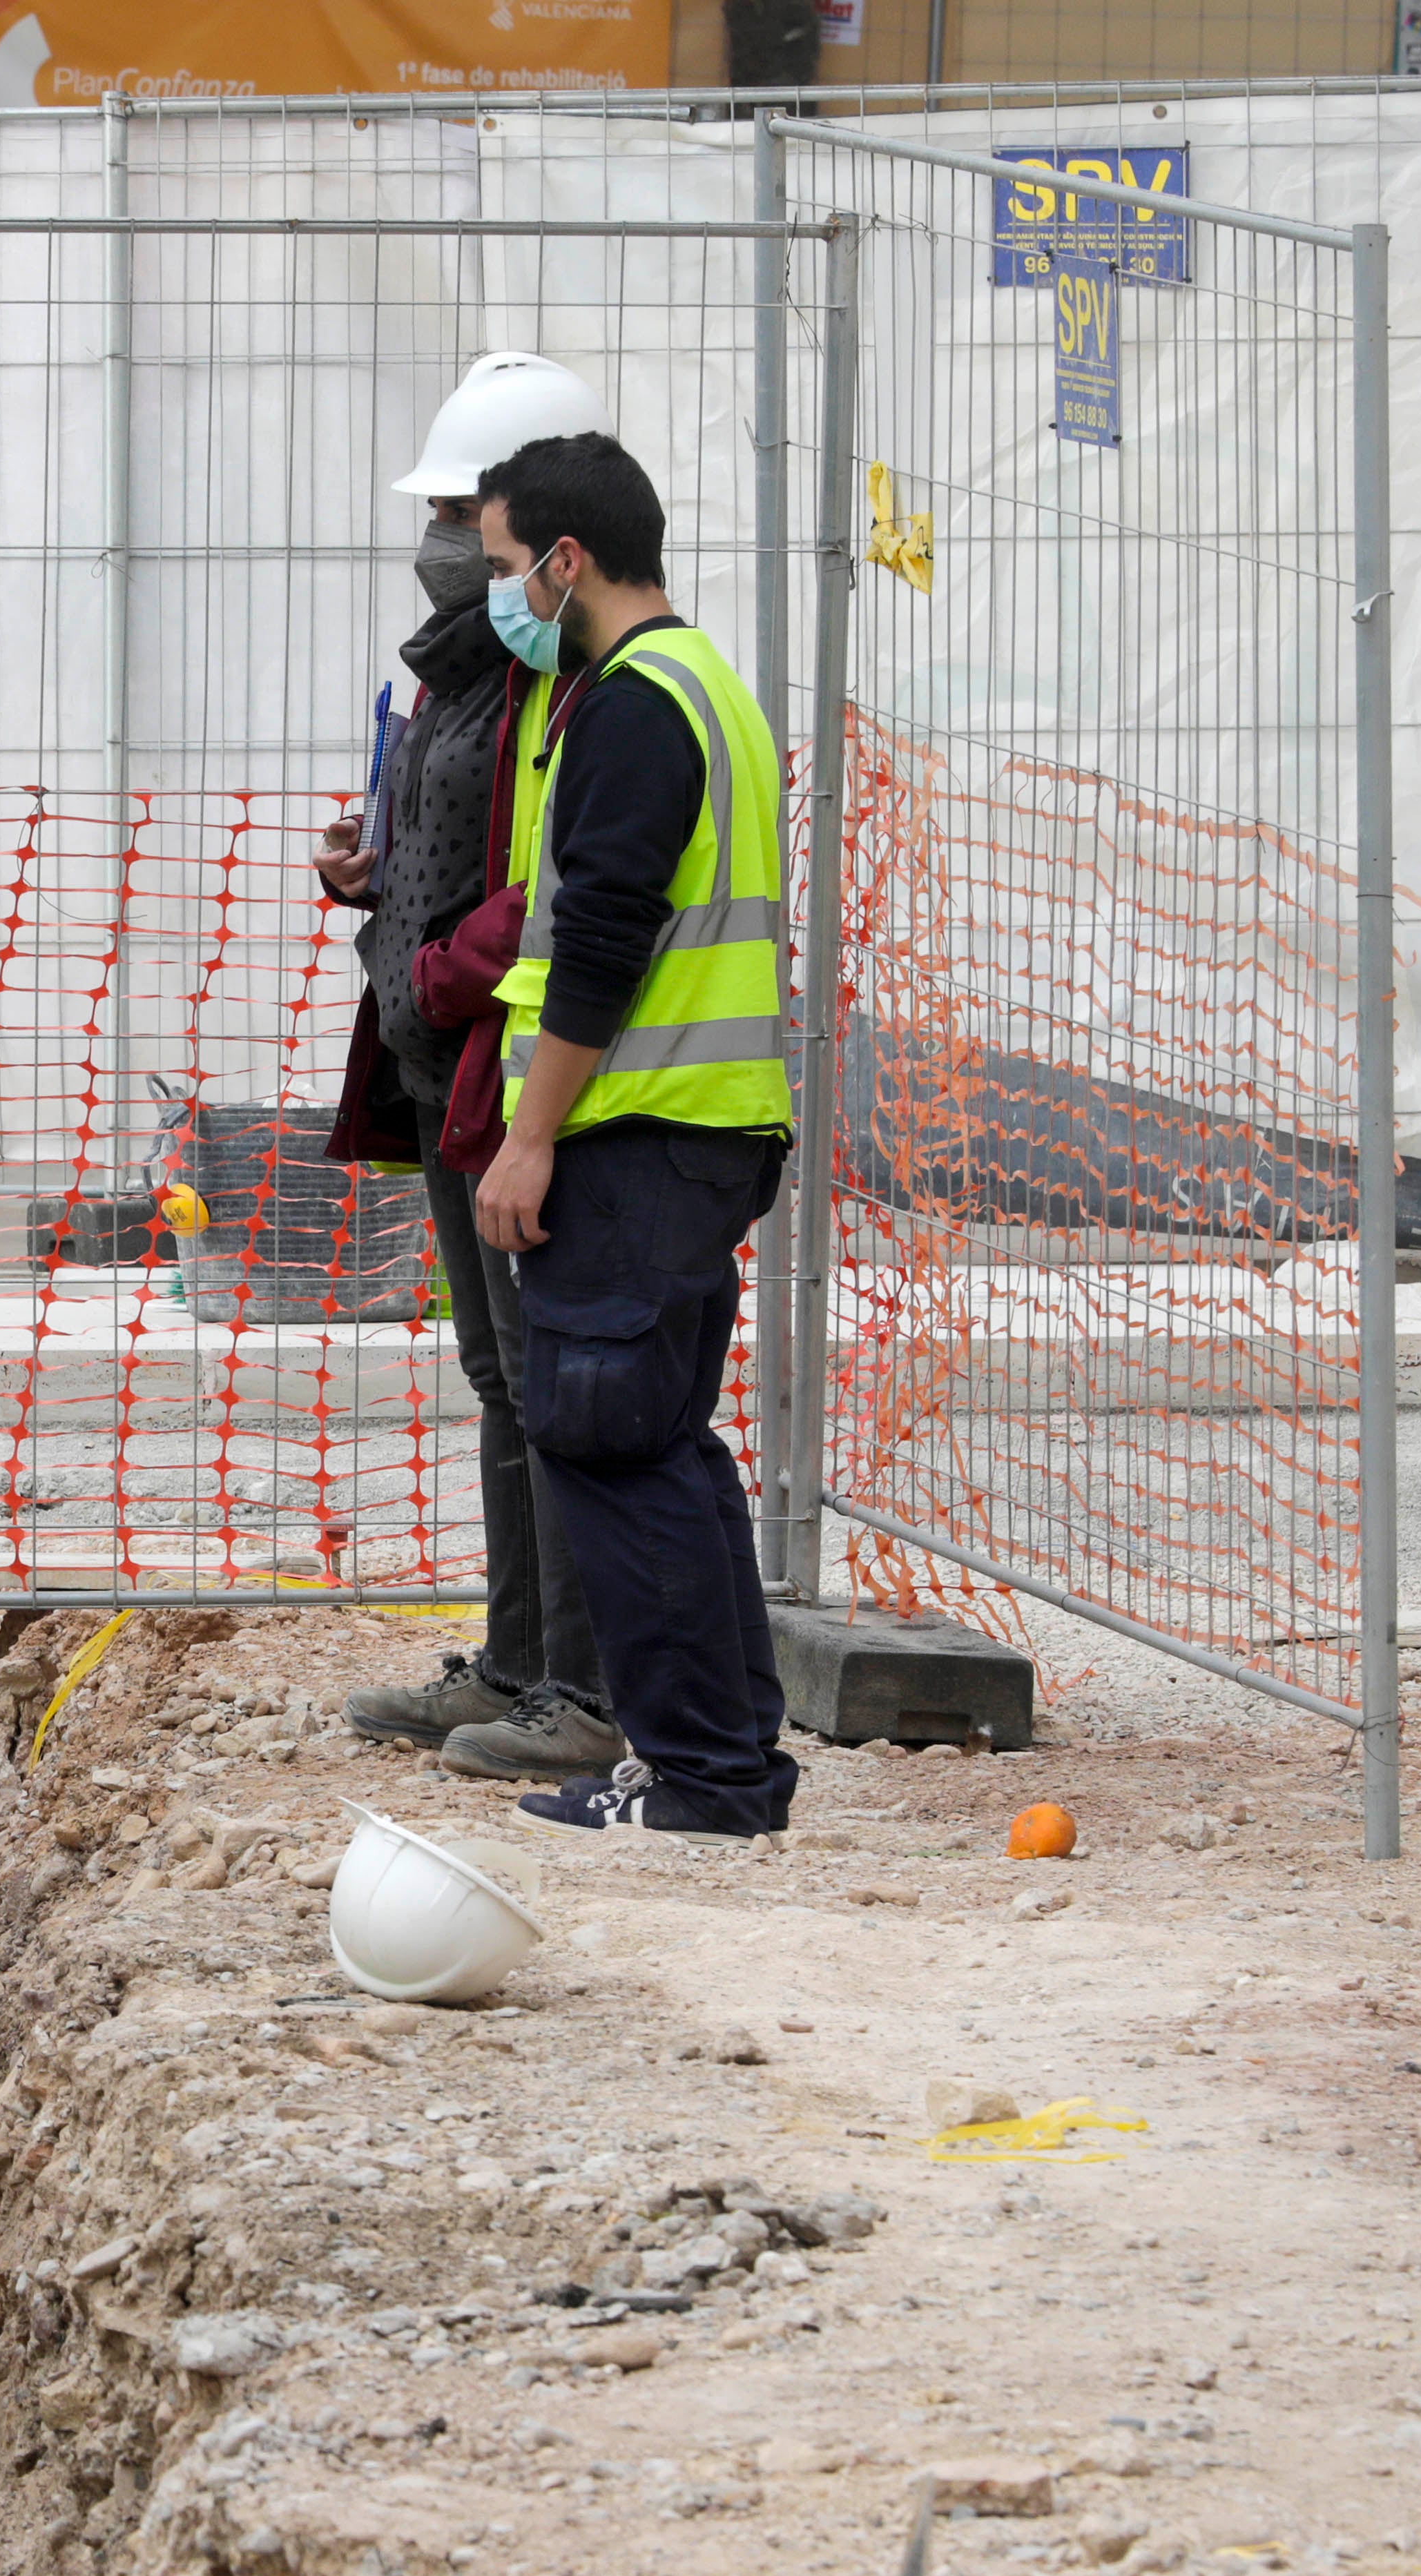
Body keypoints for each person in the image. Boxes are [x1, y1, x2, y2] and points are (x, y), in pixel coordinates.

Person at [466, 429, 803, 1840]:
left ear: (566, 559)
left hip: (638, 1127)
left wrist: (529, 1133)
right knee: (663, 1443)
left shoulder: (632, 703)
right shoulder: (702, 683)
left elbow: (602, 940)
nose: (495, 596)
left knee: (611, 1443)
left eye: (500, 566)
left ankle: (706, 1779)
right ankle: (724, 1760)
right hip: (701, 1123)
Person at [325, 353, 625, 1785]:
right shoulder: (460, 666)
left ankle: (579, 1681)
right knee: (500, 1374)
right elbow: (466, 840)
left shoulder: (564, 675)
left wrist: (445, 959)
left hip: (508, 1054)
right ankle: (518, 1662)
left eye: (464, 508)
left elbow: (567, 871)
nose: (444, 535)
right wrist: (379, 879)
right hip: (447, 1056)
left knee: (547, 1376)